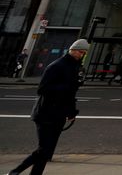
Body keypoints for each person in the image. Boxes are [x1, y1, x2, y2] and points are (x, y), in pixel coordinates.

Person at [8, 38, 87, 175]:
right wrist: (68, 86)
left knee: (47, 151)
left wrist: (72, 112)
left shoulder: (74, 67)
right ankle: (14, 172)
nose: (82, 55)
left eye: (84, 53)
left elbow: (71, 94)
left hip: (59, 114)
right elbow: (43, 89)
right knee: (44, 150)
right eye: (80, 52)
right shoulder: (57, 65)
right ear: (72, 50)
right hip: (45, 113)